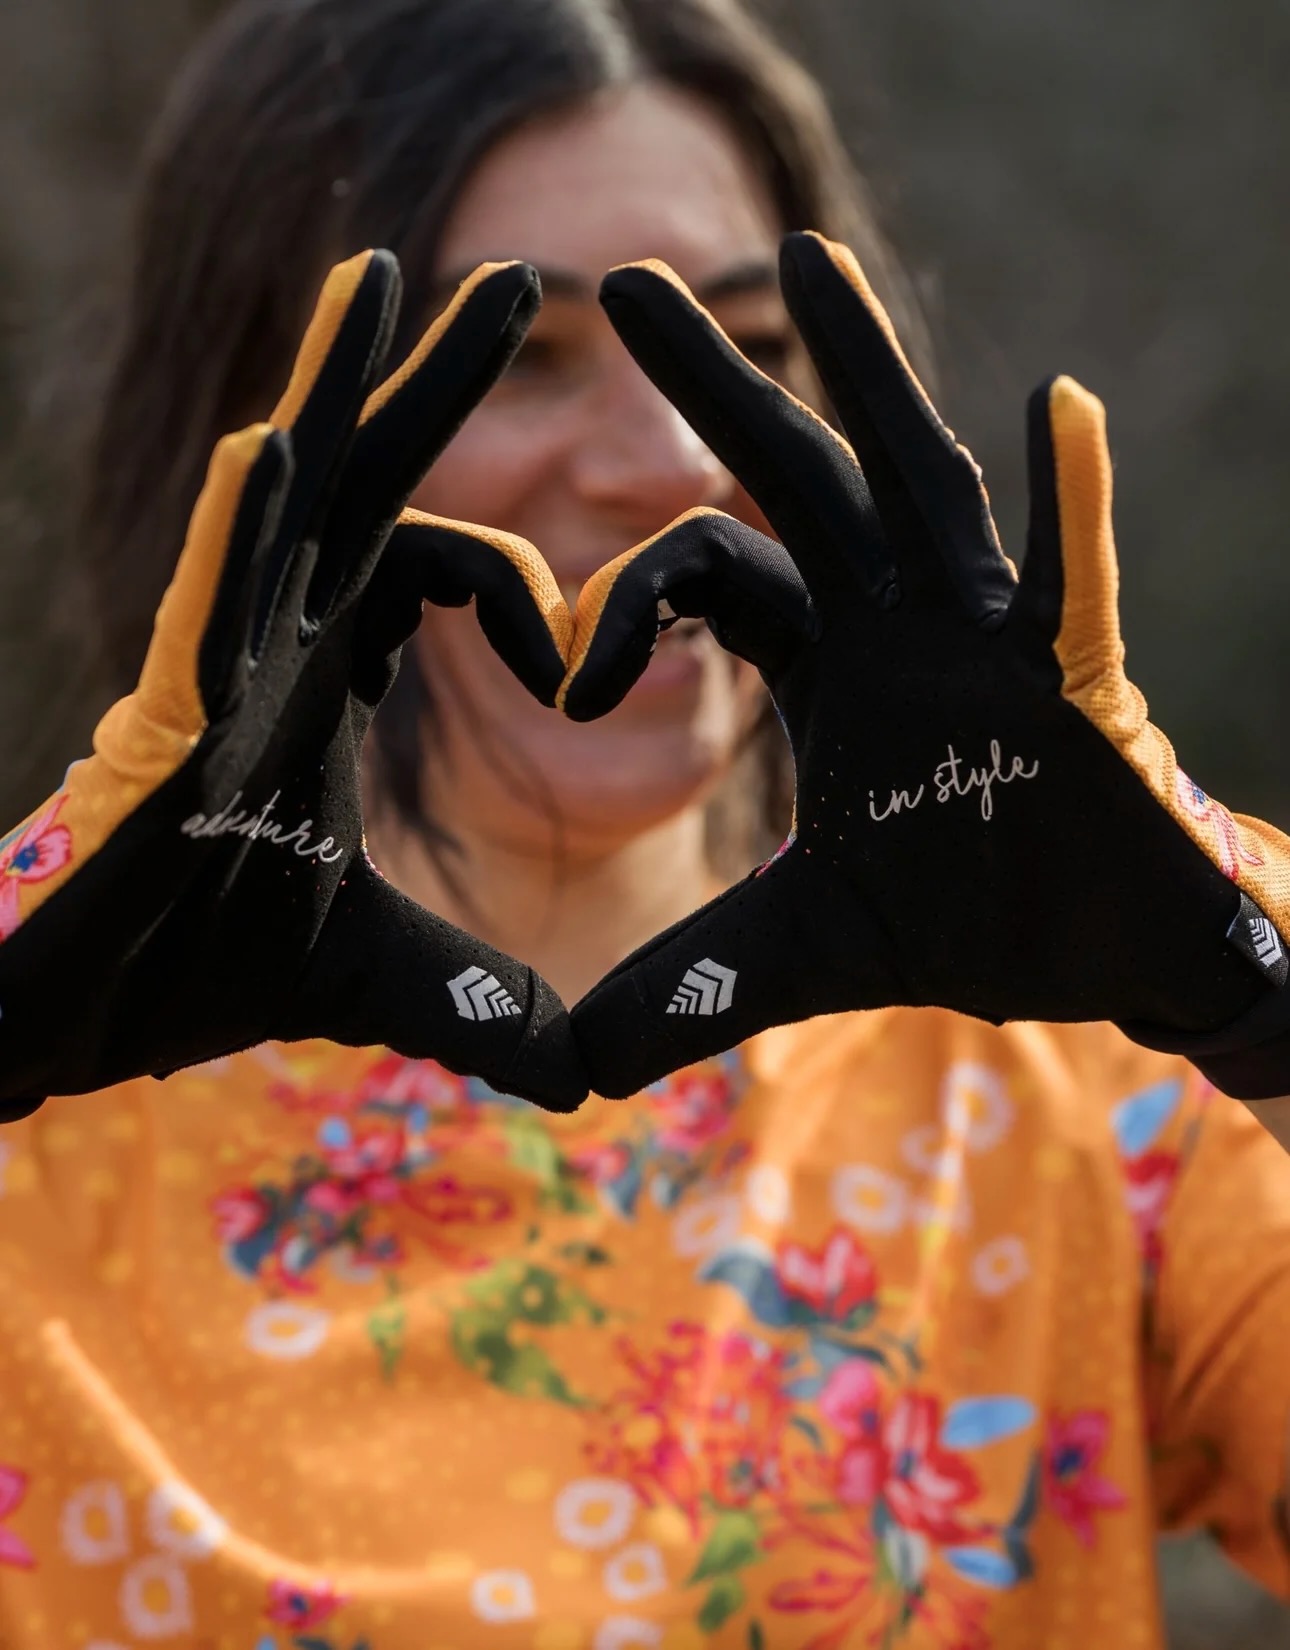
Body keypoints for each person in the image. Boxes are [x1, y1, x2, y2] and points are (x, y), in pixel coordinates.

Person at [1, 2, 1289, 1647]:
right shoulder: (47, 1093)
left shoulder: (1101, 1079)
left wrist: (1256, 989)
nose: (665, 462)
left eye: (741, 354)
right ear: (256, 454)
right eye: (518, 361)